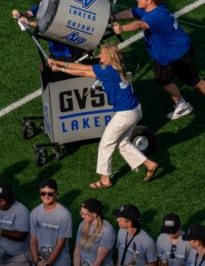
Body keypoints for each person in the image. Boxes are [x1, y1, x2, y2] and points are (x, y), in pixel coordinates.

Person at [112, 0, 205, 120]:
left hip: (179, 54)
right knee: (163, 80)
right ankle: (182, 104)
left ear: (149, 0)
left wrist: (122, 29)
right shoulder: (148, 9)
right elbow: (130, 13)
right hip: (162, 56)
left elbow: (139, 24)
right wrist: (113, 18)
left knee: (194, 82)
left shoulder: (157, 15)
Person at [49, 44, 160, 188]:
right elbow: (82, 68)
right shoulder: (115, 68)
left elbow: (84, 71)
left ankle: (105, 179)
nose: (99, 57)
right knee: (123, 143)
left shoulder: (108, 72)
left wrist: (59, 68)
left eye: (102, 55)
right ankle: (150, 164)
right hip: (135, 110)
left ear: (108, 57)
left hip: (125, 114)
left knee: (105, 145)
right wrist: (57, 62)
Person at [29, 178, 72, 266]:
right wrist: (36, 260)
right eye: (43, 193)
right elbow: (33, 238)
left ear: (56, 193)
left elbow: (61, 242)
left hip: (60, 262)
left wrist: (48, 264)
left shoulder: (64, 214)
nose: (46, 196)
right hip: (40, 262)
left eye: (50, 194)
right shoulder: (35, 212)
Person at [73, 198, 116, 266]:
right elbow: (77, 251)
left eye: (84, 214)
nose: (82, 216)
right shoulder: (82, 224)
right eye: (81, 213)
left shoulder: (107, 230)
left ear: (94, 214)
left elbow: (99, 260)